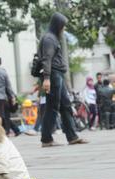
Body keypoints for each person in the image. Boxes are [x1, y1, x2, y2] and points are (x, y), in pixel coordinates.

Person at [39, 12, 88, 147]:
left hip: (57, 75)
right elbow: (47, 59)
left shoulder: (54, 38)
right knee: (52, 107)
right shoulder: (49, 38)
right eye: (63, 26)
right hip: (53, 75)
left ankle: (72, 136)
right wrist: (47, 78)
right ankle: (46, 139)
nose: (63, 29)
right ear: (57, 25)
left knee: (65, 106)